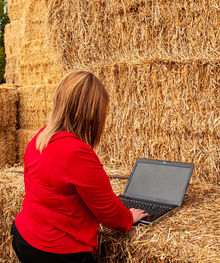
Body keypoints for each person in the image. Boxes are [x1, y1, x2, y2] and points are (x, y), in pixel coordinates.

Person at [11, 71, 148, 263]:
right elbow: (108, 212)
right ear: (91, 113)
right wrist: (128, 217)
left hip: (24, 236)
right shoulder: (77, 153)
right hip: (57, 251)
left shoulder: (41, 137)